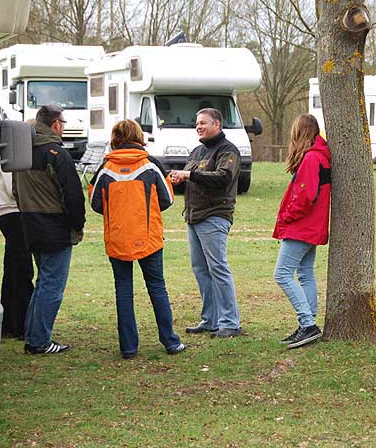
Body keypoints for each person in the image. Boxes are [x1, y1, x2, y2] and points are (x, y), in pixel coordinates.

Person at [89, 120, 186, 359]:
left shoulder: (105, 168)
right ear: (139, 137)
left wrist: (117, 214)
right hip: (148, 237)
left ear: (115, 138)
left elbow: (94, 203)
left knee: (123, 291)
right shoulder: (151, 165)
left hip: (117, 237)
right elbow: (168, 199)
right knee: (157, 288)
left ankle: (128, 348)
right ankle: (170, 342)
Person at [13, 105, 85, 355]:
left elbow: (15, 190)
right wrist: (77, 224)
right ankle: (39, 341)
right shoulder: (56, 153)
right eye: (63, 123)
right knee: (52, 286)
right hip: (54, 226)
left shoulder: (22, 151)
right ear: (56, 124)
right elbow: (73, 195)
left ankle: (33, 335)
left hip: (29, 223)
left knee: (43, 282)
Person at [170, 108, 243, 338]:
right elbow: (191, 182)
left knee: (218, 268)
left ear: (217, 124)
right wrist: (179, 180)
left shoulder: (228, 150)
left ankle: (230, 322)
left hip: (214, 216)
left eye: (203, 123)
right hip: (194, 217)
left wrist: (189, 175)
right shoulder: (196, 151)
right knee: (201, 270)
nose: (198, 126)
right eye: (196, 123)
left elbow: (223, 178)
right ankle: (210, 320)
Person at [272, 114, 331, 349]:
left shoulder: (311, 159)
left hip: (302, 226)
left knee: (282, 273)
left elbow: (304, 196)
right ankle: (307, 323)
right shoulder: (321, 157)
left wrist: (287, 216)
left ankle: (307, 323)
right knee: (305, 272)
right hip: (312, 225)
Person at [0, 165, 34, 339]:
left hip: (9, 213)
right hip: (14, 213)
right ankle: (23, 323)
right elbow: (14, 189)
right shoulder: (13, 161)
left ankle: (9, 322)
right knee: (22, 270)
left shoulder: (8, 160)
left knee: (12, 269)